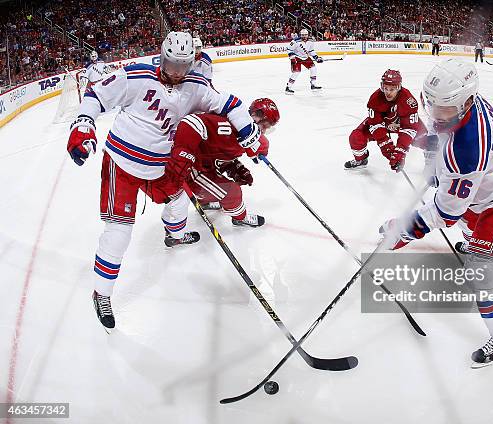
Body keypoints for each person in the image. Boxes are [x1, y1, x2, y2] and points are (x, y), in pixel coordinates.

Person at [66, 31, 262, 331]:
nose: (176, 73)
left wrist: (247, 131)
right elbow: (96, 95)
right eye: (171, 64)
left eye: (183, 66)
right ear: (162, 56)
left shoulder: (196, 86)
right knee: (119, 231)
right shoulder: (137, 76)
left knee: (180, 198)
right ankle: (101, 293)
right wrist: (83, 124)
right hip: (123, 164)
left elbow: (231, 104)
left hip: (159, 166)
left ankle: (174, 235)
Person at [380, 58, 493, 367]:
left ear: (465, 102)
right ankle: (473, 243)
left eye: (445, 108)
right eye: (432, 104)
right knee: (467, 218)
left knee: (480, 270)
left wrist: (404, 230)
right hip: (490, 178)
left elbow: (444, 213)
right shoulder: (468, 106)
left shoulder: (466, 151)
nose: (435, 113)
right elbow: (445, 142)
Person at [165, 98, 280, 227]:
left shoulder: (243, 133)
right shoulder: (226, 124)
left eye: (268, 127)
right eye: (264, 124)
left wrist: (237, 168)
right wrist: (181, 155)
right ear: (255, 115)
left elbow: (219, 155)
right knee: (232, 192)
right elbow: (193, 122)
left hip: (203, 165)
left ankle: (205, 201)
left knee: (222, 187)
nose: (264, 131)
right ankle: (240, 218)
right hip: (189, 168)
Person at [344, 69, 425, 172]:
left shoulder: (408, 100)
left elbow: (409, 128)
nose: (388, 93)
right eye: (385, 88)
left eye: (392, 89)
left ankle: (432, 165)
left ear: (398, 87)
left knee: (428, 140)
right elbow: (375, 125)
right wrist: (387, 148)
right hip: (382, 124)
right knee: (356, 137)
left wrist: (399, 152)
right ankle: (361, 160)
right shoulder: (375, 98)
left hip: (401, 124)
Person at [285, 28, 323, 94]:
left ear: (308, 35)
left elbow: (311, 51)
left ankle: (313, 84)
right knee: (296, 72)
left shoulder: (311, 41)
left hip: (305, 57)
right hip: (296, 57)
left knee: (313, 68)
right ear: (300, 35)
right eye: (302, 35)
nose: (304, 36)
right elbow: (289, 49)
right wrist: (292, 58)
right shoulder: (295, 41)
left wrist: (317, 58)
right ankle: (288, 87)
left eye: (305, 35)